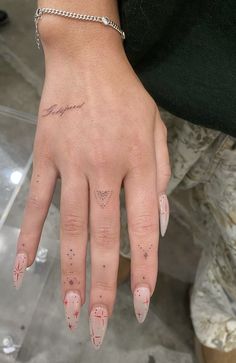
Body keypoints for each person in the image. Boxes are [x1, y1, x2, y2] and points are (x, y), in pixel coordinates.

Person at [12, 0, 236, 361]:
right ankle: (122, 251)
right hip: (152, 60)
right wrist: (76, 32)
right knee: (114, 202)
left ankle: (220, 326)